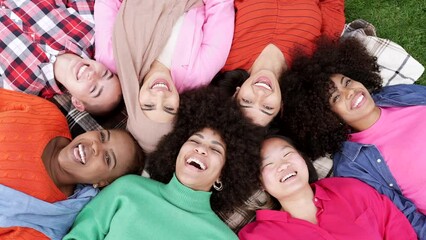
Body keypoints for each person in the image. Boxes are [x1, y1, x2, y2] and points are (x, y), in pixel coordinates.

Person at [63, 86, 265, 239]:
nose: (201, 149)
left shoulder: (222, 237)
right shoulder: (128, 188)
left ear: (223, 174)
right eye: (194, 140)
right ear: (176, 150)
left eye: (215, 149)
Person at [280, 37, 426, 238]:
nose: (349, 91)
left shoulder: (396, 95)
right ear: (328, 118)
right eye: (336, 97)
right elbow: (405, 218)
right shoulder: (353, 166)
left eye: (347, 82)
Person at [0, 88, 144, 240]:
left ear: (101, 183)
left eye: (107, 158)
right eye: (102, 136)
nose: (96, 146)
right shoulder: (47, 114)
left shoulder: (46, 224)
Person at [95, 0, 234, 152]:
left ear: (134, 103)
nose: (160, 95)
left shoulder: (112, 57)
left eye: (148, 106)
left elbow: (107, 3)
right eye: (169, 108)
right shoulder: (199, 74)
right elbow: (221, 6)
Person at [239, 136, 417, 239]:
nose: (283, 165)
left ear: (303, 159)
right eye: (268, 164)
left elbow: (395, 227)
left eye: (287, 154)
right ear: (260, 183)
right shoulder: (257, 236)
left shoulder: (349, 189)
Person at [212, 0, 345, 126]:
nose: (260, 94)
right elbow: (332, 5)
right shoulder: (315, 58)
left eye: (246, 101)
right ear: (281, 106)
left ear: (236, 93)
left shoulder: (225, 58)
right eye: (267, 107)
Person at [0, 0, 122, 115]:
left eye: (94, 89)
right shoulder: (89, 31)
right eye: (105, 74)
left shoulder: (22, 87)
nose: (94, 75)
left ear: (77, 103)